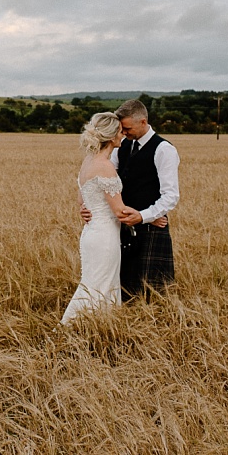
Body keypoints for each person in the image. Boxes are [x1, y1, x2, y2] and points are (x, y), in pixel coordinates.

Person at [80, 99, 179, 301]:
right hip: (122, 226)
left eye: (127, 128)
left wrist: (144, 216)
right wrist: (87, 205)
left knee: (152, 295)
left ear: (143, 122)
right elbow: (101, 180)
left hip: (151, 229)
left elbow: (171, 196)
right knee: (123, 291)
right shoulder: (120, 146)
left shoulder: (164, 149)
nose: (123, 133)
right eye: (121, 130)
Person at [60, 111, 138, 323]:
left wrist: (85, 210)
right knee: (101, 286)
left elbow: (82, 201)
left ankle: (91, 328)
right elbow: (119, 211)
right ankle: (73, 328)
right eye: (120, 132)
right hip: (105, 237)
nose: (123, 135)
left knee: (93, 284)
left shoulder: (88, 161)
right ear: (111, 136)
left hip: (91, 233)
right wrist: (146, 216)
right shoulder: (105, 166)